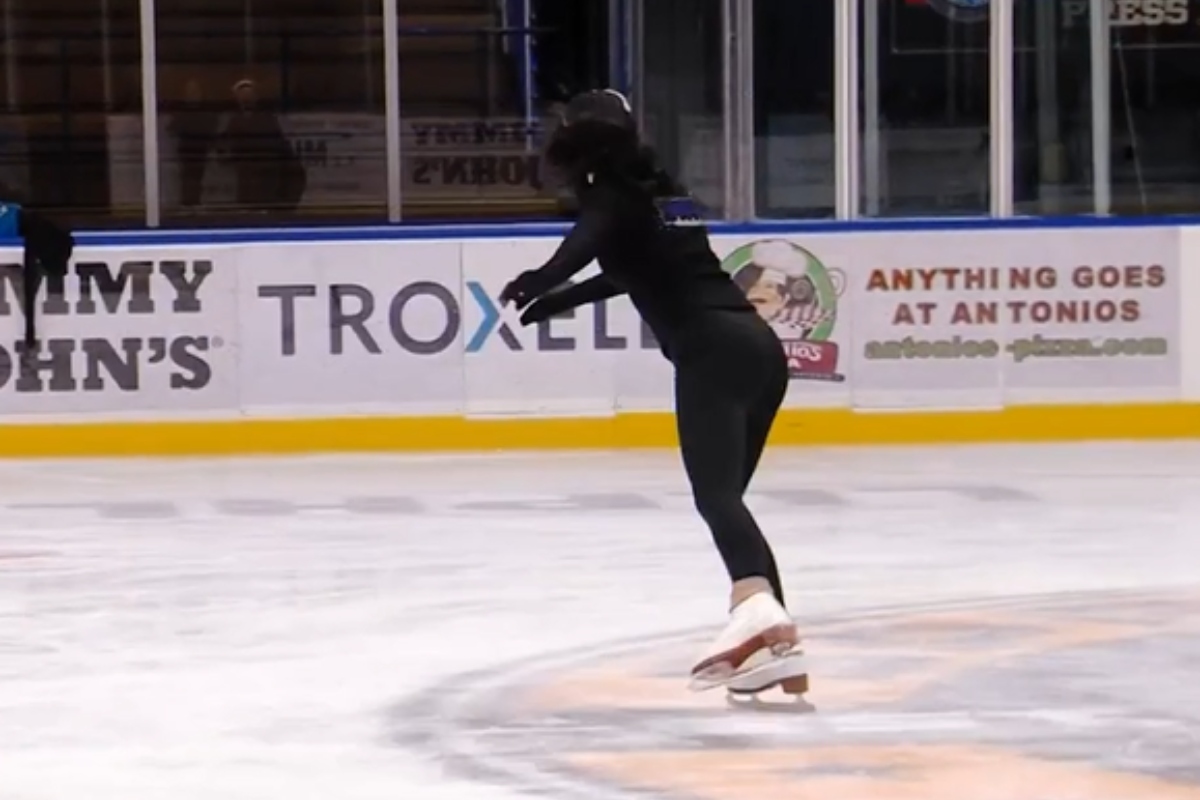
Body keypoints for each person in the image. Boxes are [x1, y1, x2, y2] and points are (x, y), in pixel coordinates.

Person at [499, 89, 807, 697]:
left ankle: (763, 621)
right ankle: (775, 648)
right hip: (760, 350)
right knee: (726, 504)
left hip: (711, 354)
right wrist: (562, 300)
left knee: (718, 501)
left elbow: (584, 244)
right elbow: (633, 267)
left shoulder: (609, 197)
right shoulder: (666, 196)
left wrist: (540, 280)